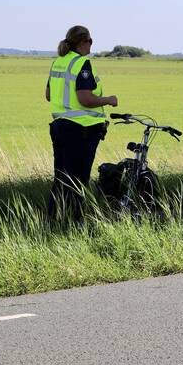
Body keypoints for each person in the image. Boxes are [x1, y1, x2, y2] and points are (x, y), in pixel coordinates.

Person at [45, 25, 118, 220]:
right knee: (78, 181)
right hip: (80, 131)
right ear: (82, 42)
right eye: (90, 41)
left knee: (61, 179)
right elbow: (85, 99)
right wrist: (108, 99)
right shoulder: (82, 63)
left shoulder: (58, 62)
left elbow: (48, 94)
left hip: (60, 126)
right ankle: (75, 224)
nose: (91, 45)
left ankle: (52, 221)